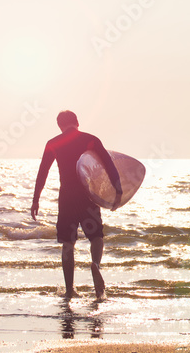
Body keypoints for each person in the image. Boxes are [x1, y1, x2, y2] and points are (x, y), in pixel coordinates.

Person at [31, 110, 122, 299]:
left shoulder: (53, 143)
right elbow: (109, 165)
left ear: (59, 125)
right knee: (96, 236)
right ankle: (95, 265)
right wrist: (118, 190)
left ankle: (70, 290)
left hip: (66, 198)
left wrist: (36, 199)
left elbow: (43, 172)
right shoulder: (90, 140)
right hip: (87, 196)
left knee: (67, 243)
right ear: (77, 122)